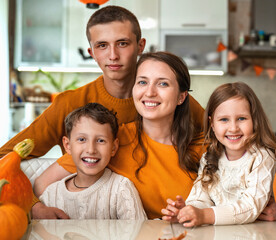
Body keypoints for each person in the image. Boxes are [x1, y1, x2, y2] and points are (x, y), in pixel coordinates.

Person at [0, 6, 204, 219]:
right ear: (92, 53)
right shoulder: (70, 103)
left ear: (140, 46)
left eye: (123, 43)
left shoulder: (172, 102)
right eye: (102, 46)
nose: (113, 55)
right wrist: (34, 206)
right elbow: (5, 158)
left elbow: (225, 142)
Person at [35, 52, 207, 219]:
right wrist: (37, 209)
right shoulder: (113, 141)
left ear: (181, 97)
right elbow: (42, 185)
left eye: (162, 84)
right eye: (142, 82)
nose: (149, 92)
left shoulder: (202, 148)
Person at [161, 82, 276, 227]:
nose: (233, 128)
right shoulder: (208, 158)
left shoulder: (261, 157)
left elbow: (251, 207)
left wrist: (205, 215)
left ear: (254, 120)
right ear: (212, 124)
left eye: (242, 118)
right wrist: (187, 212)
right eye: (224, 119)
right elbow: (201, 198)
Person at [38, 103, 147, 220]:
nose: (91, 150)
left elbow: (138, 233)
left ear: (114, 148)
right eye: (81, 139)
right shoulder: (51, 194)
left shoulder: (120, 189)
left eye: (100, 140)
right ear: (68, 145)